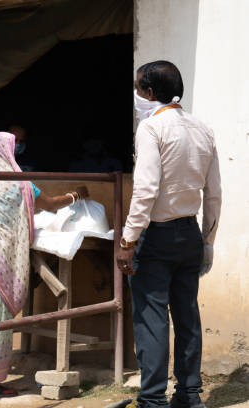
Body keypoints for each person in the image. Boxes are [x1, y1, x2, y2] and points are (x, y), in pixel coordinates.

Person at [117, 61, 221, 408]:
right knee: (187, 315)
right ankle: (190, 395)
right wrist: (208, 240)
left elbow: (145, 190)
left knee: (152, 319)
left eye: (137, 89)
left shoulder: (151, 127)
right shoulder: (202, 128)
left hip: (157, 237)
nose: (136, 95)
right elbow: (215, 191)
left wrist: (128, 240)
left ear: (149, 92)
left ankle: (153, 400)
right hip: (190, 234)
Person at [0, 131, 88, 403]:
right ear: (7, 151)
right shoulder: (20, 184)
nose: (19, 147)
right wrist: (75, 195)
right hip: (2, 262)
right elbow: (50, 204)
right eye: (15, 144)